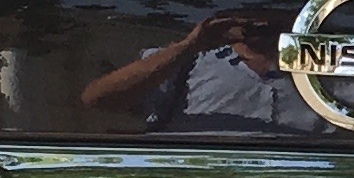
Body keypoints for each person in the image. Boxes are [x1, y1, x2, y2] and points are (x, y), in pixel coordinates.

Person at [80, 8, 325, 132]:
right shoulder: (188, 60)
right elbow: (98, 99)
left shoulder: (322, 68)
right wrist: (189, 46)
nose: (258, 23)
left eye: (268, 15)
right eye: (247, 15)